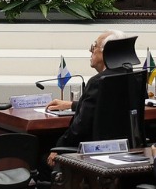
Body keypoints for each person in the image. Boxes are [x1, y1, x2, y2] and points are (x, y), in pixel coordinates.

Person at [43, 29, 125, 163]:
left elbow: (81, 127)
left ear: (106, 52)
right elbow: (107, 106)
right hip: (126, 151)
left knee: (42, 152)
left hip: (93, 155)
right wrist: (71, 105)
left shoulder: (98, 82)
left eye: (94, 46)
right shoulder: (133, 78)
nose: (90, 51)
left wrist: (58, 148)